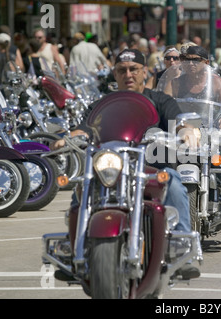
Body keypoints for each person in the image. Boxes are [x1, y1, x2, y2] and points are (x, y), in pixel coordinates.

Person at [50, 48, 200, 279]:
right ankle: (74, 246)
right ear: (115, 74)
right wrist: (69, 137)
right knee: (82, 187)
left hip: (151, 169)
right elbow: (85, 127)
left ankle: (180, 246)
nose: (128, 74)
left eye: (134, 69)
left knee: (175, 183)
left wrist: (187, 131)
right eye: (122, 70)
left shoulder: (159, 100)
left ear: (144, 72)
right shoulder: (104, 104)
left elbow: (178, 123)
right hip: (112, 170)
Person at [161, 45, 221, 251]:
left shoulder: (215, 82)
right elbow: (163, 105)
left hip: (209, 136)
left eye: (195, 59)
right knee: (160, 174)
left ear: (205, 62)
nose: (190, 63)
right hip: (182, 137)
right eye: (185, 59)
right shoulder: (175, 82)